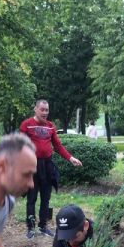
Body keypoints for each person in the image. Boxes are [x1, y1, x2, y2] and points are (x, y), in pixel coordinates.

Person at [19, 99, 82, 239]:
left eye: (47, 110)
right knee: (32, 198)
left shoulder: (50, 126)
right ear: (35, 109)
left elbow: (58, 146)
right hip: (32, 167)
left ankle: (43, 226)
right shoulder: (27, 125)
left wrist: (70, 158)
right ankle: (30, 228)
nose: (45, 112)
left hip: (47, 166)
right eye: (42, 109)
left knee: (45, 198)